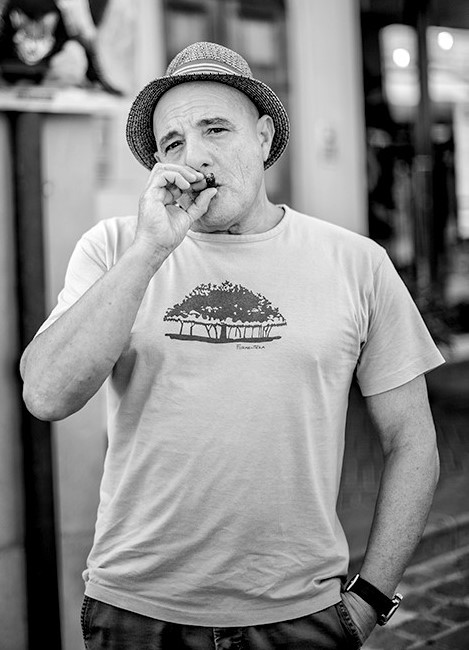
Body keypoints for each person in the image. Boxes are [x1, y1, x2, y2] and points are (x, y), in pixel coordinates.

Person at [20, 41, 444, 649]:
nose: (194, 156)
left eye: (215, 129)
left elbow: (413, 441)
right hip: (136, 613)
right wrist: (150, 250)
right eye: (172, 142)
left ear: (264, 137)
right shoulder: (115, 248)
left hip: (300, 615)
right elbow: (46, 395)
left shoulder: (358, 263)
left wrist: (371, 599)